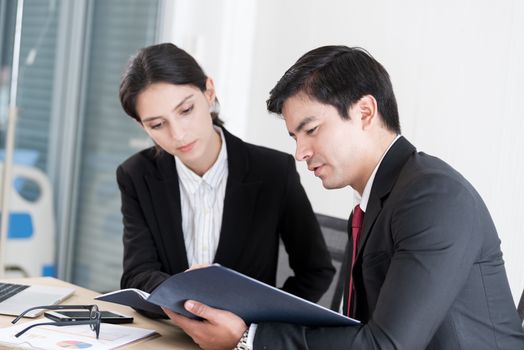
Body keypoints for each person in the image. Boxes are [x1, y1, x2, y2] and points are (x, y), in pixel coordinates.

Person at [164, 45, 524, 349]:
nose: (300, 152)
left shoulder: (433, 196)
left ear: (365, 112)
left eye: (312, 130)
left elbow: (386, 345)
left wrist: (249, 338)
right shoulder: (381, 196)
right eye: (294, 137)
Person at [116, 43, 335, 308]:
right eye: (157, 124)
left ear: (209, 92)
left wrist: (261, 324)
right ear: (142, 125)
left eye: (185, 111)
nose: (178, 134)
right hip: (169, 331)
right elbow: (136, 275)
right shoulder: (136, 176)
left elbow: (316, 271)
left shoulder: (273, 172)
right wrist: (182, 294)